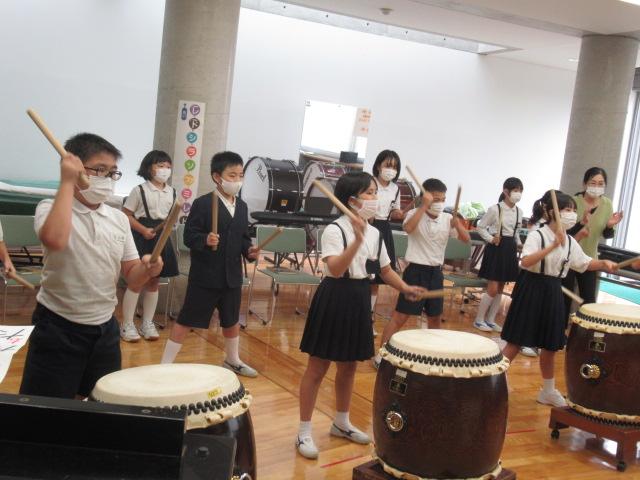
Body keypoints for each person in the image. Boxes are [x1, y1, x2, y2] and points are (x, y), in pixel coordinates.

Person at [19, 133, 163, 399]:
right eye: (100, 170)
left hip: (105, 328)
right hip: (58, 327)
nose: (107, 179)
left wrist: (148, 269)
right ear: (75, 168)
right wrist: (66, 182)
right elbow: (55, 240)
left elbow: (132, 277)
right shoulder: (49, 208)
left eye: (112, 172)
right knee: (48, 409)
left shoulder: (118, 219)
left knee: (99, 402)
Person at [296, 172, 424, 459]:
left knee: (349, 367)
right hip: (334, 296)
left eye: (375, 193)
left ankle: (341, 422)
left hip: (358, 298)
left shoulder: (376, 233)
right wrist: (356, 239)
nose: (375, 198)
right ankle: (303, 431)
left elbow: (385, 270)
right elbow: (336, 268)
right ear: (352, 199)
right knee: (317, 368)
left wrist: (405, 288)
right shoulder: (335, 230)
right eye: (369, 193)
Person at [500, 190, 616, 407]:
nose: (571, 214)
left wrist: (602, 263)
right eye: (567, 209)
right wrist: (553, 245)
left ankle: (548, 391)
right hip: (532, 287)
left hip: (553, 290)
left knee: (551, 345)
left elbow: (583, 263)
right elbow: (526, 262)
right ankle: (492, 383)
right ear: (551, 212)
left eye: (573, 210)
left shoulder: (570, 241)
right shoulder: (538, 235)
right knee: (515, 341)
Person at [160, 151, 259, 377]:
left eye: (240, 175)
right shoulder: (203, 203)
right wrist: (205, 239)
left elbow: (243, 239)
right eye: (232, 175)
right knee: (186, 319)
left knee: (231, 320)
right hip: (206, 275)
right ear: (217, 176)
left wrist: (249, 251)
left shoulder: (242, 206)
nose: (237, 180)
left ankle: (232, 360)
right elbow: (189, 236)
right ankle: (164, 365)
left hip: (232, 276)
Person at [373, 178, 471, 368]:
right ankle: (382, 356)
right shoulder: (413, 214)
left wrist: (458, 225)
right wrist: (423, 206)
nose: (439, 203)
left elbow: (466, 239)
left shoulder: (447, 219)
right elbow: (408, 228)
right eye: (435, 199)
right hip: (416, 272)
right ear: (425, 198)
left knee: (435, 318)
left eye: (443, 199)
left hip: (436, 273)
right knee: (400, 316)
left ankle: (435, 356)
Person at [120, 150, 179, 342]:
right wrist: (143, 230)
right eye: (160, 165)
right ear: (149, 167)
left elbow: (170, 218)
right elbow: (126, 215)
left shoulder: (172, 192)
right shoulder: (139, 190)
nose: (165, 170)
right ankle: (127, 324)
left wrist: (169, 225)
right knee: (136, 281)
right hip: (141, 236)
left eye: (168, 166)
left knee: (154, 282)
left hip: (161, 238)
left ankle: (147, 323)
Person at [563, 167, 623, 316]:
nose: (597, 187)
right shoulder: (573, 202)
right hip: (568, 257)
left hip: (590, 259)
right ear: (584, 184)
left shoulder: (607, 204)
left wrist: (610, 226)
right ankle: (560, 330)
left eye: (601, 184)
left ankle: (581, 331)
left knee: (589, 302)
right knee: (564, 300)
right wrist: (581, 223)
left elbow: (607, 235)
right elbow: (564, 232)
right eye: (593, 183)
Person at [474, 177, 524, 333]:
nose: (518, 194)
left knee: (501, 287)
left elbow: (516, 233)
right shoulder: (495, 209)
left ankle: (490, 320)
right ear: (506, 191)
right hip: (496, 248)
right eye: (515, 190)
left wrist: (519, 243)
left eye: (520, 191)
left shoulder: (519, 212)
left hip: (510, 248)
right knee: (493, 287)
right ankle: (479, 320)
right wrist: (491, 238)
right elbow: (481, 227)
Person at [370, 150, 405, 335]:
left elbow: (395, 212)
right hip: (369, 225)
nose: (391, 169)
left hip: (384, 228)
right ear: (378, 166)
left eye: (394, 167)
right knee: (365, 275)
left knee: (377, 277)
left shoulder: (395, 188)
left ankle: (369, 319)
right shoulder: (370, 183)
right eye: (388, 165)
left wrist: (399, 213)